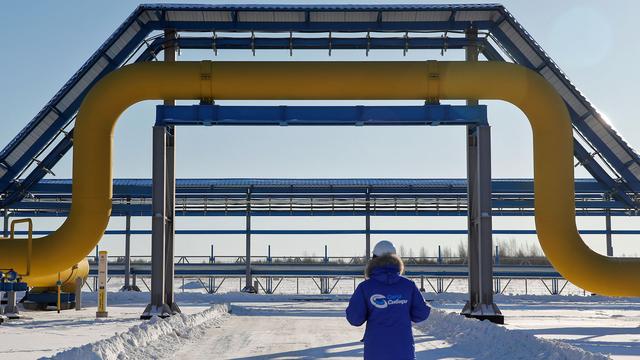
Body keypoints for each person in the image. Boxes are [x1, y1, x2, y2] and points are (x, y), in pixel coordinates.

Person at [346, 240, 430, 360]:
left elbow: (355, 319)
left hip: (375, 352)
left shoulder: (365, 287)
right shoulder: (408, 285)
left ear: (374, 259)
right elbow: (421, 313)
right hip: (403, 351)